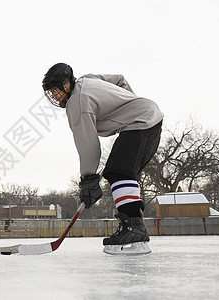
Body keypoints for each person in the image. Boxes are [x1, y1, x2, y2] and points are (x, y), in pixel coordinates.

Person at [42, 63, 163, 254]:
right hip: (147, 117)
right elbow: (120, 79)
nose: (55, 96)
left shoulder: (76, 103)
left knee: (118, 171)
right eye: (51, 93)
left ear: (66, 85)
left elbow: (88, 145)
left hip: (141, 123)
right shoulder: (87, 79)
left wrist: (88, 180)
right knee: (124, 173)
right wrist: (129, 103)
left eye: (56, 90)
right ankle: (133, 227)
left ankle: (134, 228)